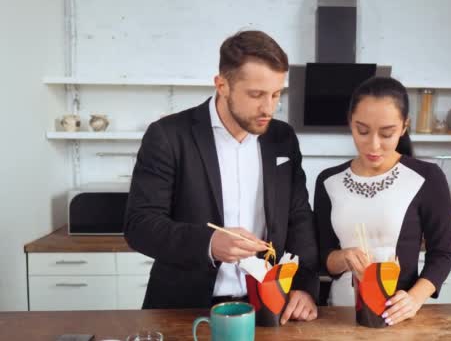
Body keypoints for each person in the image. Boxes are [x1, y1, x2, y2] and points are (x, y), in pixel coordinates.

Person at [124, 30, 318, 324]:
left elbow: (299, 216)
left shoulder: (283, 138)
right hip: (183, 308)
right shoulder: (168, 136)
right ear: (222, 85)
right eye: (256, 95)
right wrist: (209, 242)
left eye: (277, 94)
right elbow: (140, 226)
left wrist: (304, 285)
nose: (269, 108)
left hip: (269, 308)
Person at [314, 76, 451, 325]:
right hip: (340, 317)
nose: (374, 145)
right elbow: (323, 257)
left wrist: (414, 299)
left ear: (404, 127)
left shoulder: (427, 178)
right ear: (350, 123)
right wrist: (342, 257)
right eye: (363, 131)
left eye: (387, 134)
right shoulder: (328, 181)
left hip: (399, 317)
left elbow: (442, 253)